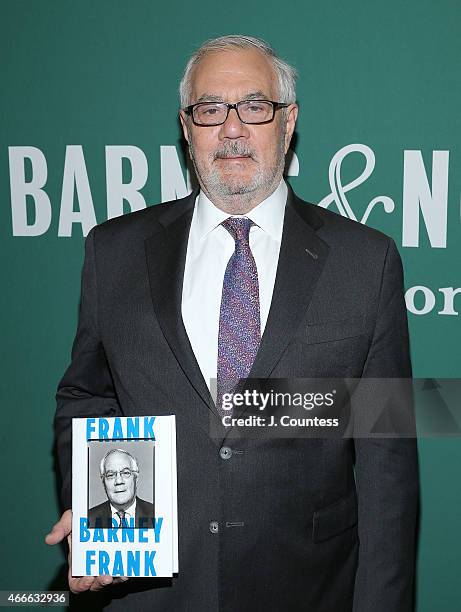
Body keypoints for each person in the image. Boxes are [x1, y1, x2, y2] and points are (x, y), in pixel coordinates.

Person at [46, 35, 419, 611]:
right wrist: (100, 516)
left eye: (254, 105)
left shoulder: (365, 261)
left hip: (308, 589)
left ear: (288, 120)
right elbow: (87, 395)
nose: (233, 128)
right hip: (153, 591)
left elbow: (386, 457)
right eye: (211, 109)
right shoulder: (112, 253)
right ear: (187, 126)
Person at [88, 448, 154, 529]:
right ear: (103, 482)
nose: (119, 481)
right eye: (110, 475)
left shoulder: (156, 514)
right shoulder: (88, 519)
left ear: (136, 479)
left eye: (126, 473)